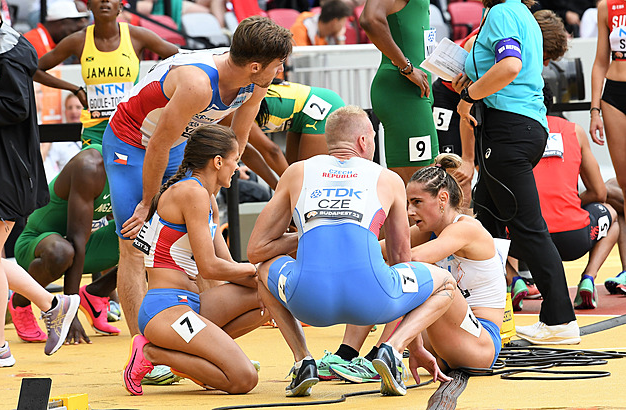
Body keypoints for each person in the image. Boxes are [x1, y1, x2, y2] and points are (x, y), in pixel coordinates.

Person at [102, 16, 292, 342]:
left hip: (175, 143)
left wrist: (215, 186)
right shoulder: (197, 84)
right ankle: (142, 349)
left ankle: (206, 343)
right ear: (256, 66)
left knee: (200, 230)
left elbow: (238, 139)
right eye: (278, 65)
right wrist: (147, 203)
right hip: (130, 143)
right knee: (134, 245)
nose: (280, 72)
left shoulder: (253, 83)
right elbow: (157, 143)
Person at [247, 106, 455, 397]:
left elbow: (256, 250)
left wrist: (312, 231)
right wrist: (415, 344)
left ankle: (303, 359)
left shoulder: (298, 172)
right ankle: (392, 351)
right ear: (363, 142)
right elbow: (401, 258)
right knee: (446, 283)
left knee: (263, 271)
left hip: (308, 302)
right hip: (374, 301)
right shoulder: (387, 178)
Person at [452, 0, 579, 345]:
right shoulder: (519, 14)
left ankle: (560, 319)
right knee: (487, 221)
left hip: (510, 130)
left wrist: (469, 94)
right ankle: (494, 317)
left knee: (528, 228)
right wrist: (473, 81)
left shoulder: (504, 11)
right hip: (520, 126)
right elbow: (508, 69)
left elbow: (509, 66)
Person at [321, 154, 507, 383]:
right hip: (440, 340)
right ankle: (345, 354)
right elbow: (373, 252)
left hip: (478, 343)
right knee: (378, 267)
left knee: (413, 273)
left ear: (442, 198)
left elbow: (411, 258)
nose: (409, 211)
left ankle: (380, 355)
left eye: (417, 202)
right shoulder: (427, 231)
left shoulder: (467, 229)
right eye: (408, 203)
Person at [123, 125, 264, 395]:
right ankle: (152, 353)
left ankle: (205, 360)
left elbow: (228, 266)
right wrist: (258, 268)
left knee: (266, 296)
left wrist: (268, 276)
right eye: (236, 160)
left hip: (192, 304)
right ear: (218, 161)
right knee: (243, 379)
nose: (237, 168)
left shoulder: (206, 197)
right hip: (165, 310)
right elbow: (209, 267)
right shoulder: (192, 192)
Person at [0, 2, 79, 366]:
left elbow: (15, 106)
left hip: (8, 172)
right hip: (7, 168)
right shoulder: (9, 45)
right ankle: (53, 304)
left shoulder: (9, 50)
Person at [431, 9, 569, 205]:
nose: (544, 65)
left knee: (489, 176)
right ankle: (456, 233)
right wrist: (469, 159)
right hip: (452, 100)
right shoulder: (488, 42)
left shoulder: (512, 33)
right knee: (458, 177)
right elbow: (468, 107)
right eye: (544, 57)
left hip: (473, 101)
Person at [508, 86, 619, 310]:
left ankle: (514, 280)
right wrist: (568, 202)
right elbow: (599, 193)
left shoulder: (510, 133)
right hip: (573, 238)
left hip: (525, 239)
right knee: (613, 216)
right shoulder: (573, 131)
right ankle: (588, 278)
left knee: (483, 226)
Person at [11, 144, 120, 345]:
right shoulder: (90, 165)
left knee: (148, 238)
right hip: (39, 242)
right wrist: (70, 315)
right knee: (62, 252)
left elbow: (119, 221)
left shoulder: (136, 167)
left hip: (82, 244)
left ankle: (95, 293)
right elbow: (75, 238)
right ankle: (20, 302)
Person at [33, 0, 179, 147]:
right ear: (89, 6)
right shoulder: (79, 40)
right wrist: (75, 89)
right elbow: (35, 70)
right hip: (95, 128)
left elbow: (180, 57)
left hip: (130, 125)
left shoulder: (136, 36)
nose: (105, 0)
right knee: (88, 165)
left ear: (120, 7)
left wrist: (154, 90)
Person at [361, 0, 438, 184]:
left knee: (426, 182)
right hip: (403, 92)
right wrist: (407, 67)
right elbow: (370, 19)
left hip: (414, 91)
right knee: (420, 188)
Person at [219, 78, 346, 177]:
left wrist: (284, 187)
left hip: (323, 106)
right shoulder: (221, 113)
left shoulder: (227, 111)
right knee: (296, 176)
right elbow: (245, 153)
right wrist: (279, 187)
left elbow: (271, 150)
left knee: (307, 180)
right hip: (301, 114)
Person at [589, 0, 626, 291]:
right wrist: (594, 110)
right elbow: (601, 60)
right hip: (613, 93)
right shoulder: (607, 6)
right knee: (625, 184)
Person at [23, 0, 89, 59]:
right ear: (58, 21)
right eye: (76, 19)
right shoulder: (32, 42)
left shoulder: (63, 43)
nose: (82, 23)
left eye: (86, 18)